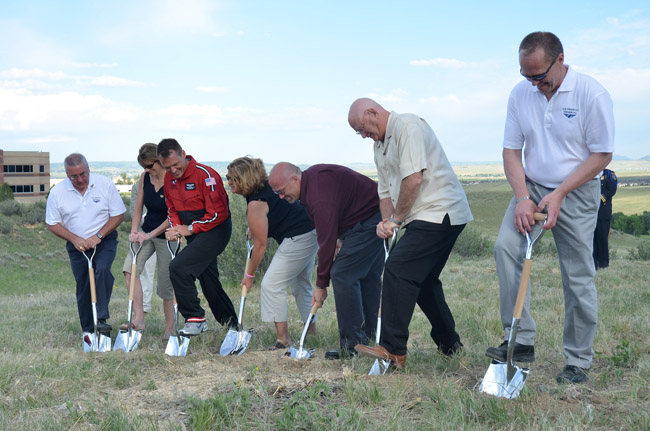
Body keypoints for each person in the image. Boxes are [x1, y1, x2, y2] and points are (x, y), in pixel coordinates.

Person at [486, 31, 614, 384]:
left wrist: (560, 194)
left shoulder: (592, 93)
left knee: (577, 274)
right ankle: (520, 340)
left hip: (578, 188)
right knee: (505, 249)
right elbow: (511, 151)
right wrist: (523, 196)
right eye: (526, 77)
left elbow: (602, 154)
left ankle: (577, 359)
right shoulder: (521, 93)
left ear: (560, 60)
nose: (534, 84)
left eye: (540, 76)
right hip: (532, 187)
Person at [347, 98, 474, 369]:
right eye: (358, 132)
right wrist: (386, 223)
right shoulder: (379, 146)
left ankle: (393, 350)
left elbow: (413, 179)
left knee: (398, 268)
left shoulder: (407, 126)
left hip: (441, 211)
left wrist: (396, 219)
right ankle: (450, 345)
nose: (363, 135)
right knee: (423, 282)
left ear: (372, 112)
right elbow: (384, 191)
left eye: (362, 128)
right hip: (423, 215)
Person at [269, 162, 384, 359]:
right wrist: (341, 236)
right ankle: (370, 338)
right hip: (372, 214)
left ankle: (352, 347)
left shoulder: (318, 196)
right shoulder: (311, 182)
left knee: (342, 274)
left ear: (295, 179)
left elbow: (326, 244)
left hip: (372, 220)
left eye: (281, 191)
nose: (280, 197)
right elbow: (336, 215)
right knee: (366, 276)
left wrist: (321, 285)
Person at [227, 157, 318, 349]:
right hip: (311, 232)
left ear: (245, 179)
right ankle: (311, 332)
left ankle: (283, 340)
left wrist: (249, 275)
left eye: (232, 178)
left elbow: (260, 245)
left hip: (299, 238)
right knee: (301, 284)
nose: (229, 182)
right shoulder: (266, 190)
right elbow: (274, 216)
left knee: (271, 285)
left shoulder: (256, 203)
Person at [158, 138, 237, 336]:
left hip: (215, 229)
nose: (173, 171)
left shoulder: (207, 175)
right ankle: (233, 325)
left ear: (183, 154)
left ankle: (195, 318)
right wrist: (176, 228)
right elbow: (171, 207)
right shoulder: (169, 179)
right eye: (168, 168)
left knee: (179, 268)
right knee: (208, 279)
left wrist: (190, 229)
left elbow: (219, 214)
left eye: (176, 165)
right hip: (191, 228)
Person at [45, 153, 126, 337]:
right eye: (74, 176)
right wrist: (75, 239)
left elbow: (118, 214)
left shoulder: (105, 184)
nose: (80, 179)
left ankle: (102, 320)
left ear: (89, 169)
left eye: (83, 174)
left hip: (104, 239)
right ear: (67, 175)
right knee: (83, 284)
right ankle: (88, 331)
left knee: (102, 270)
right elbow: (52, 223)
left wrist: (99, 235)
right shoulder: (58, 192)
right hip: (77, 244)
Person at [122, 143, 175, 339]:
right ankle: (139, 319)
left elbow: (173, 215)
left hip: (167, 234)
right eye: (144, 166)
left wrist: (151, 235)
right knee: (130, 269)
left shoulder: (171, 179)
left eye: (150, 165)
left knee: (166, 283)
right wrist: (135, 231)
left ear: (160, 161)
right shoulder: (145, 177)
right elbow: (138, 208)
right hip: (146, 231)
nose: (147, 170)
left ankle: (170, 328)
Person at [593, 168, 617, 269]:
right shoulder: (592, 172)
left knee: (603, 239)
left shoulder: (609, 174)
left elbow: (612, 190)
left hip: (603, 213)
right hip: (592, 212)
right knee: (592, 240)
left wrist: (600, 198)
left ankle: (603, 264)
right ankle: (593, 264)